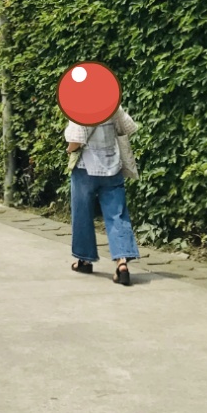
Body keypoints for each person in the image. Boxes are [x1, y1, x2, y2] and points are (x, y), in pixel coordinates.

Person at [66, 104, 139, 285]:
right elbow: (127, 127)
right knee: (117, 213)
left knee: (82, 214)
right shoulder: (113, 105)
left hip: (85, 168)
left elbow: (76, 140)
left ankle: (84, 260)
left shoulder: (81, 107)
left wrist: (69, 150)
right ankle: (122, 263)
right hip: (112, 166)